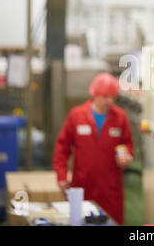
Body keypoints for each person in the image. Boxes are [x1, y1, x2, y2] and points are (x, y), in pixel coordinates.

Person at [53, 72, 133, 225]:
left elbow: (127, 144)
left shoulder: (120, 117)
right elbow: (62, 147)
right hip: (82, 185)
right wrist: (61, 176)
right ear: (95, 94)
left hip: (110, 187)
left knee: (111, 222)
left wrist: (127, 156)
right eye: (105, 97)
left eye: (113, 97)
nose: (110, 101)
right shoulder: (77, 115)